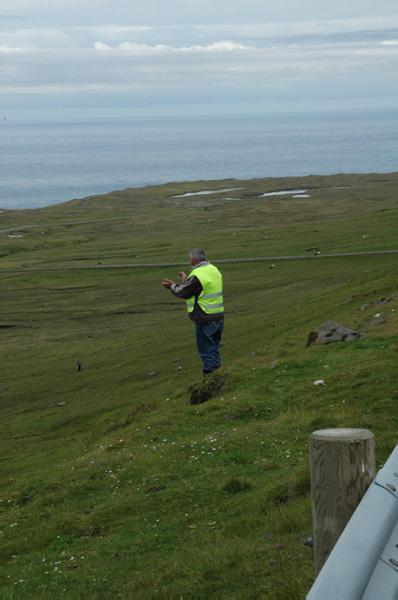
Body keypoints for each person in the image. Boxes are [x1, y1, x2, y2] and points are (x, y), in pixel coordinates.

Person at [162, 249, 224, 376]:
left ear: (194, 260)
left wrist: (173, 286)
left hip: (204, 318)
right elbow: (201, 289)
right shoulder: (213, 269)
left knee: (206, 351)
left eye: (190, 259)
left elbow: (184, 292)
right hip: (218, 316)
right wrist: (186, 282)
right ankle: (219, 376)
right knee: (214, 349)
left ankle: (210, 379)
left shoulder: (197, 274)